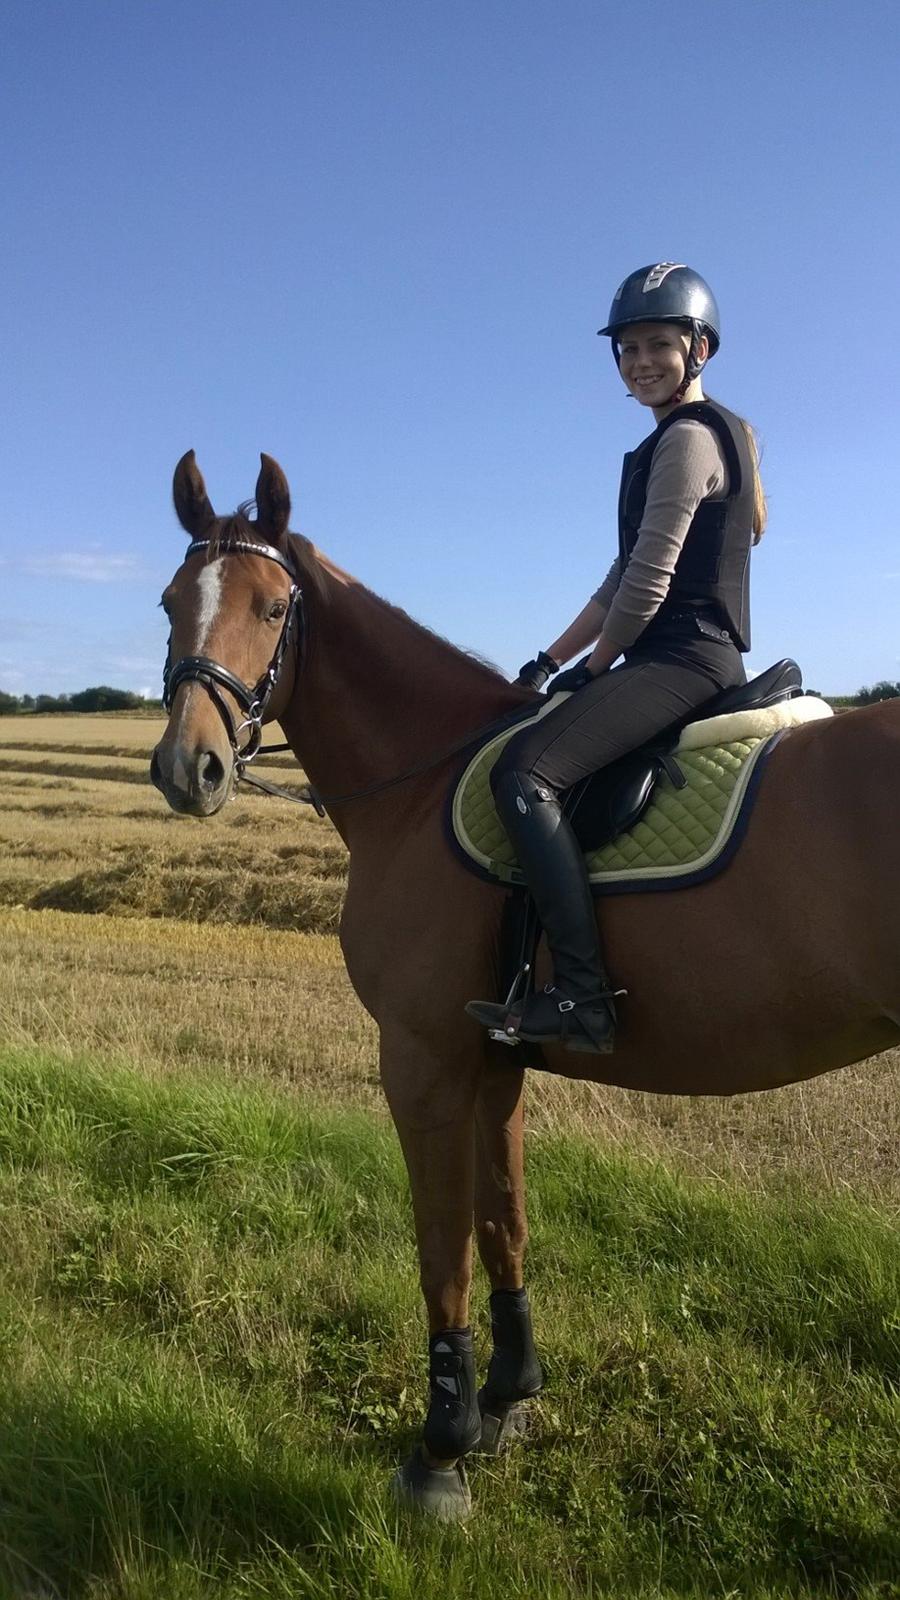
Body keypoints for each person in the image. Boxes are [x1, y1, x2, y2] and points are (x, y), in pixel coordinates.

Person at [466, 262, 767, 1054]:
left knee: (523, 772)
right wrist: (543, 661)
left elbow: (648, 579)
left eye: (659, 345)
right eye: (628, 348)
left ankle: (581, 1000)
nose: (640, 361)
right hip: (685, 651)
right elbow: (616, 579)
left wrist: (595, 669)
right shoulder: (712, 436)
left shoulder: (687, 442)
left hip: (683, 657)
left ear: (699, 348)